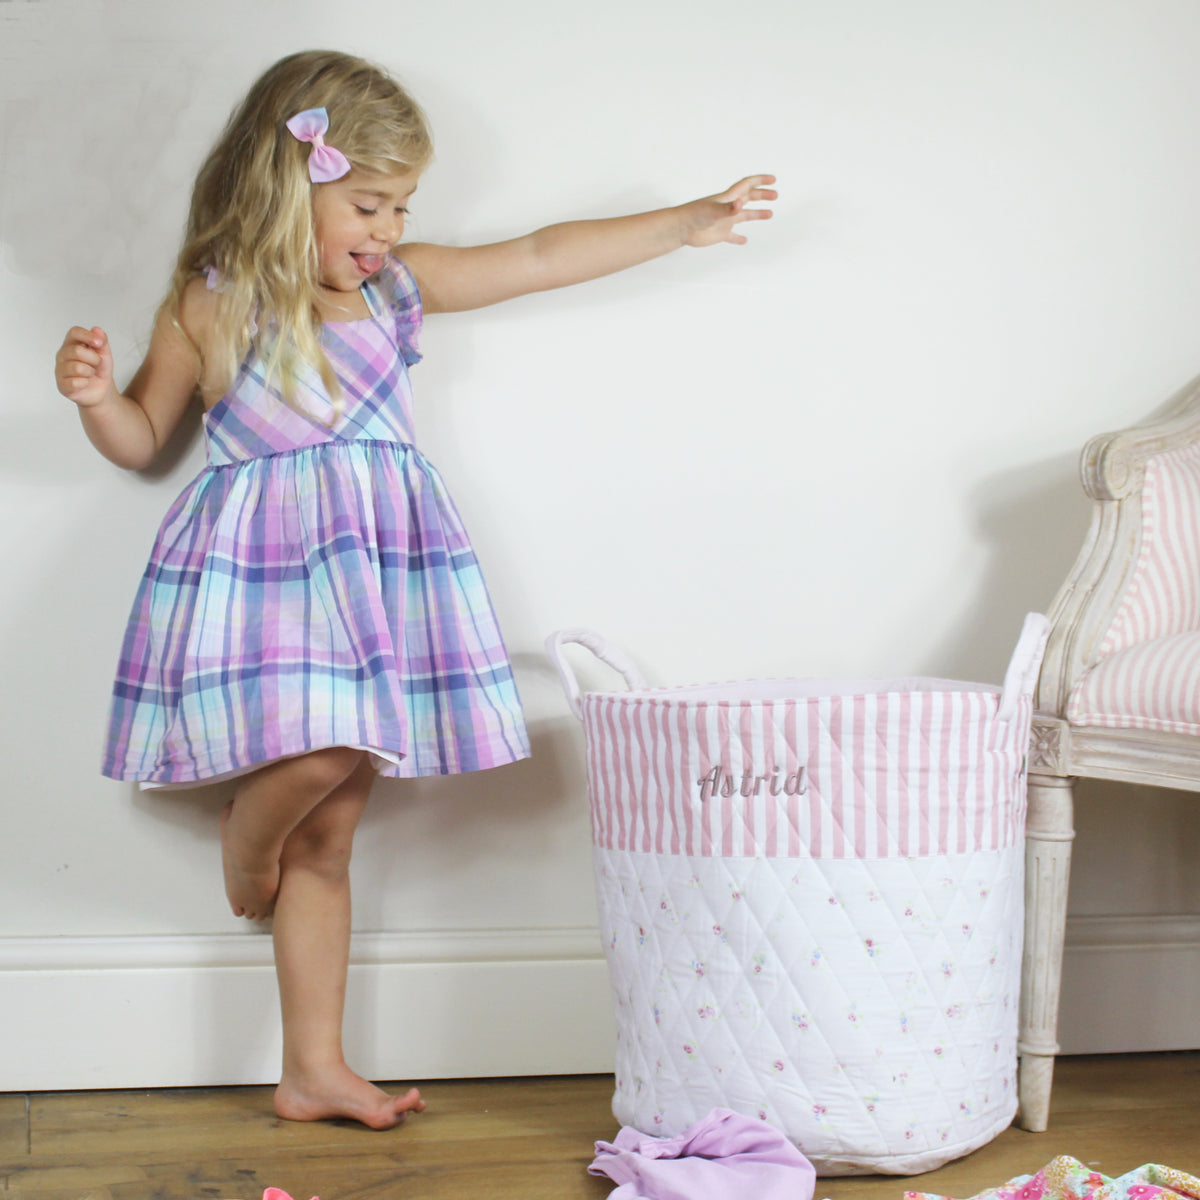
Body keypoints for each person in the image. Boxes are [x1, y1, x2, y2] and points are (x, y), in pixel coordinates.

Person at [54, 49, 775, 1130]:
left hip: (380, 577)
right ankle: (247, 841)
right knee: (327, 751)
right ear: (290, 179)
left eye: (401, 207)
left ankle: (312, 1066)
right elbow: (145, 437)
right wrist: (93, 398)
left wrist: (679, 223)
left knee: (333, 836)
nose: (387, 229)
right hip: (264, 584)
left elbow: (535, 255)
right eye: (370, 203)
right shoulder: (207, 304)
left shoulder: (394, 288)